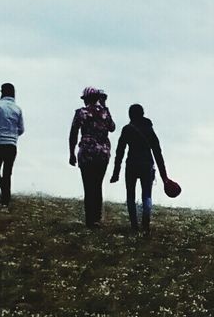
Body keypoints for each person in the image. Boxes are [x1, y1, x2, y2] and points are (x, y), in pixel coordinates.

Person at [111, 103, 169, 234]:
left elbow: (119, 151)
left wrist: (116, 172)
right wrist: (164, 176)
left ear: (130, 115)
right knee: (147, 195)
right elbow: (158, 153)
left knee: (130, 196)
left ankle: (134, 226)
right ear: (143, 114)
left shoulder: (127, 129)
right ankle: (145, 223)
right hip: (147, 165)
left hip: (131, 164)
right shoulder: (149, 129)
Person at [68, 86, 115, 227]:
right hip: (103, 154)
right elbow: (112, 127)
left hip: (87, 153)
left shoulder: (81, 113)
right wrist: (105, 106)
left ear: (86, 99)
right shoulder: (105, 112)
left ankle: (90, 220)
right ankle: (97, 218)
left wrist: (71, 153)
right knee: (98, 185)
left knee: (88, 186)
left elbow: (73, 134)